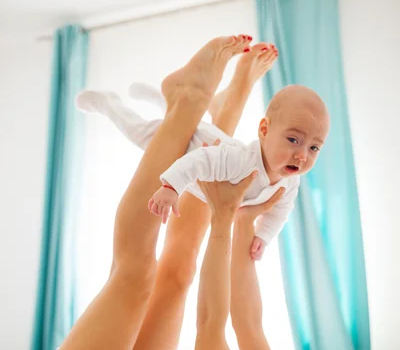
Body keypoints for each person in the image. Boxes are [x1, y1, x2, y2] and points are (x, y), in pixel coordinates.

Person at [27, 36, 400, 350]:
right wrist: (244, 222)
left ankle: (188, 100)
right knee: (180, 269)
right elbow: (248, 323)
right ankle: (228, 95)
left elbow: (212, 326)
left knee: (136, 274)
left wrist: (224, 218)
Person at [76, 43, 329, 261]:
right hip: (189, 144)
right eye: (294, 139)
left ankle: (160, 97)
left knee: (179, 116)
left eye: (314, 147)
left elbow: (280, 211)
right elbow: (198, 160)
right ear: (264, 129)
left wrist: (263, 236)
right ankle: (108, 103)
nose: (302, 155)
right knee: (139, 132)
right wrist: (172, 187)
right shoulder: (241, 161)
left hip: (202, 136)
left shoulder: (290, 181)